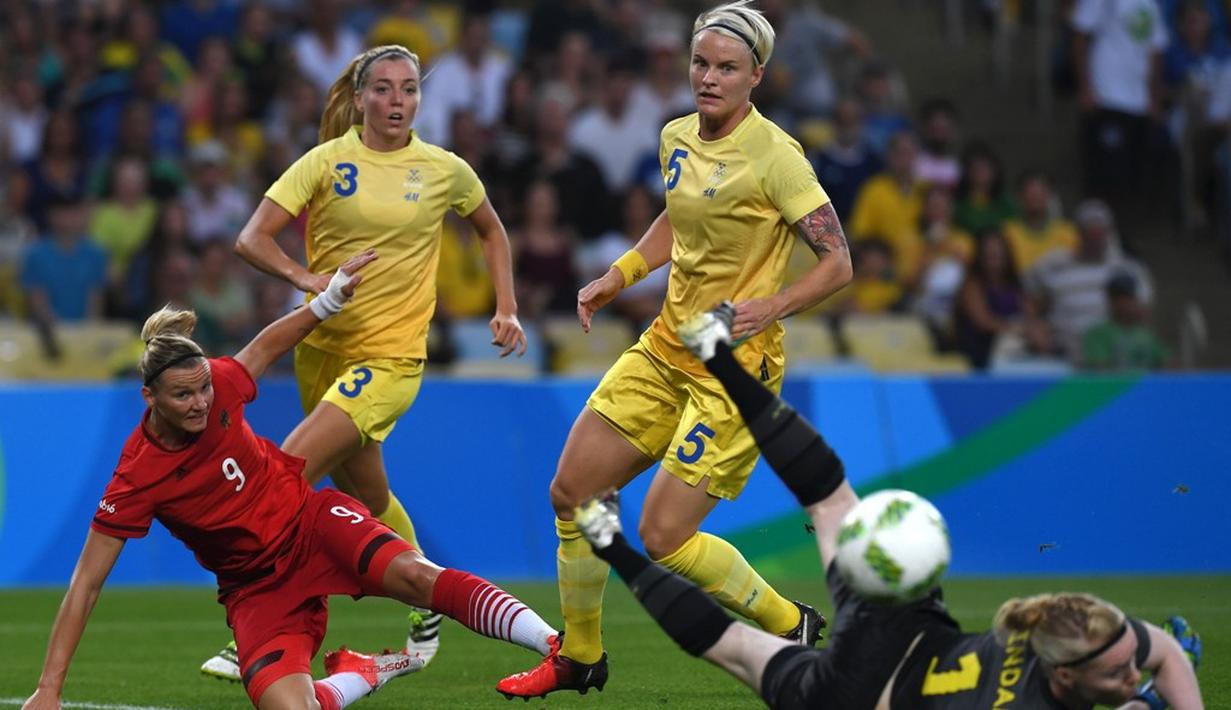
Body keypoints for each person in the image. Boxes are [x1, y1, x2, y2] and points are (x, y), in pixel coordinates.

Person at [569, 302, 1205, 710]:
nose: (1132, 668)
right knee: (740, 628)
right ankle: (618, 533)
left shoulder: (1047, 648)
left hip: (887, 645)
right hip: (861, 676)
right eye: (1124, 667)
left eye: (1128, 667)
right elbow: (1163, 659)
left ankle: (612, 538)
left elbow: (1162, 655)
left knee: (810, 527)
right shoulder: (1049, 667)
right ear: (1064, 680)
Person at [497, 1, 853, 698]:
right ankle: (581, 658)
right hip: (664, 347)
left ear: (757, 75)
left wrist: (772, 305)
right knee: (571, 494)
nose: (708, 78)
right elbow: (678, 214)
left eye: (726, 67)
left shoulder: (778, 157)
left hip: (734, 370)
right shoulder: (674, 138)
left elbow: (837, 262)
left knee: (662, 536)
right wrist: (619, 274)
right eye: (700, 63)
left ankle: (788, 624)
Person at [20, 257, 560, 710]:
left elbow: (265, 346)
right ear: (149, 399)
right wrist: (49, 689)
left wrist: (326, 301)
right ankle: (368, 670)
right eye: (183, 396)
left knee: (419, 578)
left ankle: (556, 646)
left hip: (312, 525)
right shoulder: (136, 476)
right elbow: (85, 583)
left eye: (204, 390)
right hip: (255, 588)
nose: (201, 404)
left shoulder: (221, 386)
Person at [203, 43, 528, 680]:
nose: (397, 101)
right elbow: (251, 238)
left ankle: (260, 631)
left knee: (284, 474)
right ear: (359, 98)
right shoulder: (325, 162)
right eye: (383, 89)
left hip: (390, 360)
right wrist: (308, 278)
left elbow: (491, 228)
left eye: (408, 89)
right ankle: (426, 594)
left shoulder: (443, 169)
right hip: (320, 355)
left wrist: (507, 305)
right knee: (369, 494)